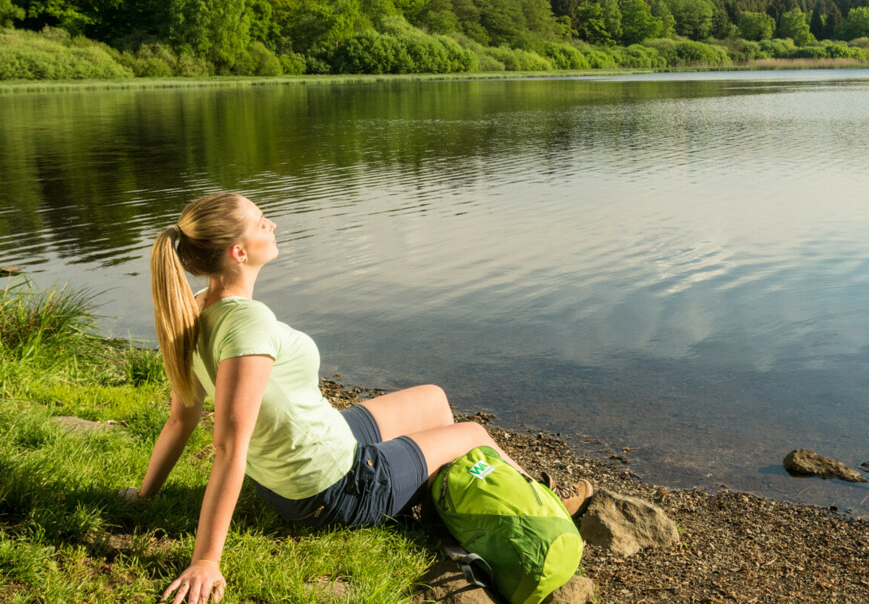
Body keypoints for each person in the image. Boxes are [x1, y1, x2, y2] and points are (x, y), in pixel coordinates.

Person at [119, 192, 589, 604]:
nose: (273, 224)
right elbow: (227, 447)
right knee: (473, 434)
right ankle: (542, 509)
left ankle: (450, 504)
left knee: (433, 401)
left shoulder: (194, 309)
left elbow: (181, 419)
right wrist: (206, 560)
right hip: (334, 490)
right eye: (262, 223)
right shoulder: (248, 323)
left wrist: (145, 496)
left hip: (313, 450)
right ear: (238, 252)